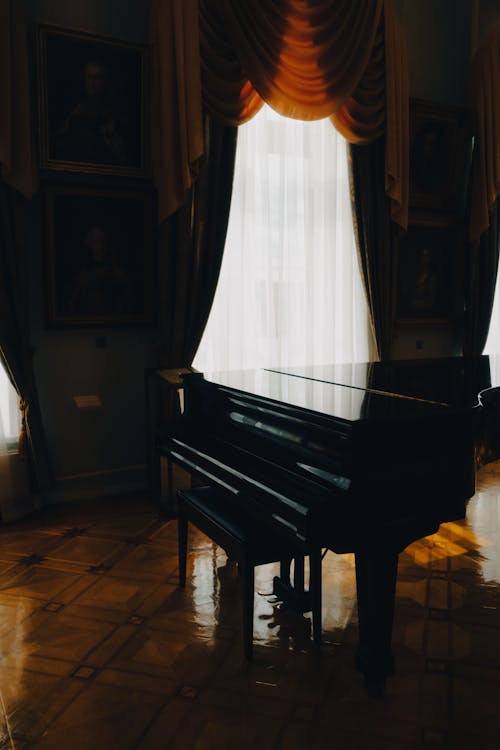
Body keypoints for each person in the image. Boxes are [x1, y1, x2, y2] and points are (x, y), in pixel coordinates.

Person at [52, 60, 128, 165]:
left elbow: (121, 155)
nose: (92, 83)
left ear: (104, 81)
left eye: (97, 78)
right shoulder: (75, 110)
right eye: (89, 77)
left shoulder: (114, 113)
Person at [68, 225, 134, 316]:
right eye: (96, 242)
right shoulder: (85, 271)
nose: (100, 246)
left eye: (103, 242)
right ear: (90, 245)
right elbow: (75, 299)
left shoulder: (113, 268)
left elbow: (128, 292)